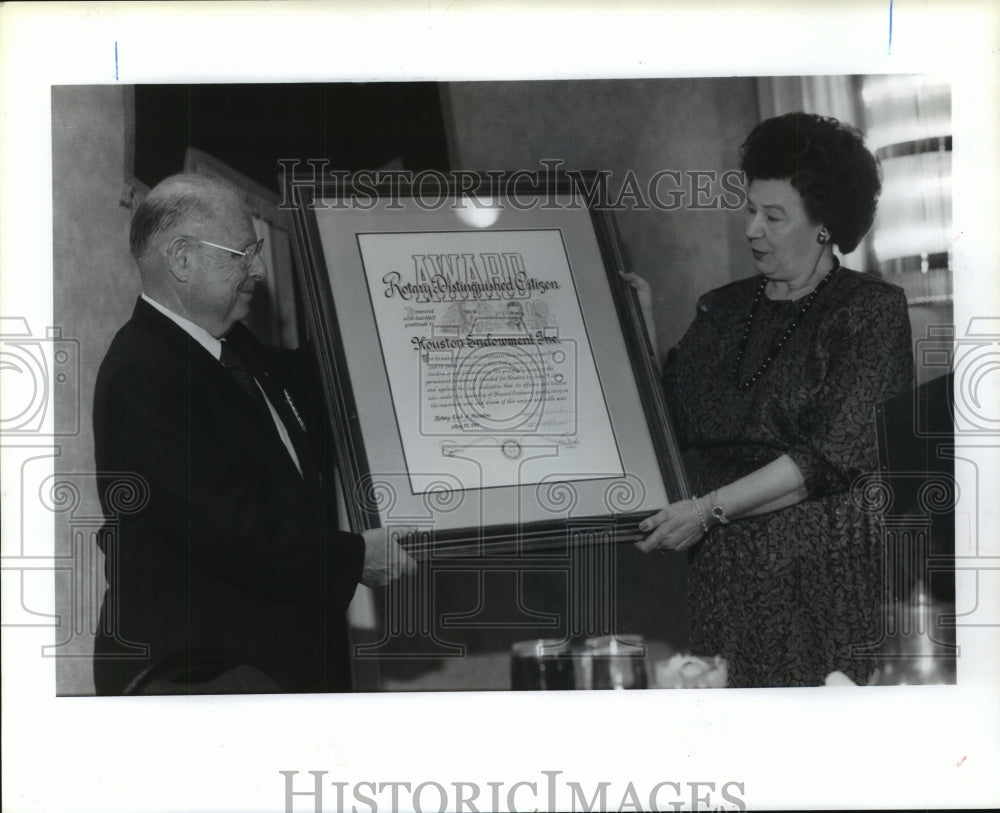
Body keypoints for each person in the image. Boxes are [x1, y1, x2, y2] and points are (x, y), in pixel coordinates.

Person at [92, 173, 416, 694]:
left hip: (268, 667)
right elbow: (230, 532)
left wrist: (402, 309)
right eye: (243, 253)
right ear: (181, 259)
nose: (260, 270)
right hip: (200, 679)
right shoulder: (142, 373)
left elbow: (320, 388)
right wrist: (355, 557)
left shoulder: (231, 347)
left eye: (257, 250)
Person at [623, 112, 913, 687]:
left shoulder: (870, 310)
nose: (752, 228)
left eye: (773, 216)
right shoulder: (721, 309)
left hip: (817, 586)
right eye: (750, 208)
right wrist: (640, 328)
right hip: (720, 584)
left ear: (824, 226)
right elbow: (672, 427)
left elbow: (825, 458)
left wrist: (707, 511)